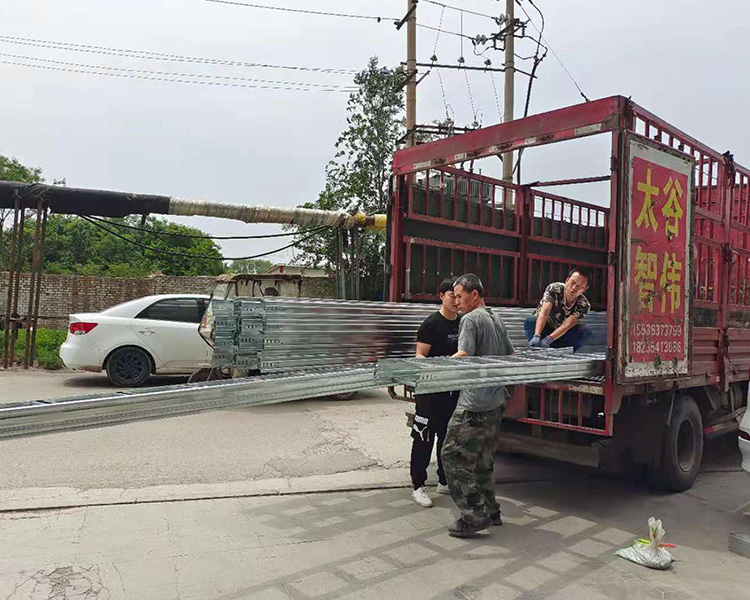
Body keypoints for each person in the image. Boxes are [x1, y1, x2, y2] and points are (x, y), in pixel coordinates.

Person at [441, 273, 514, 537]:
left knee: (452, 456)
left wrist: (435, 369)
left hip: (474, 404)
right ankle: (491, 511)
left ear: (474, 294)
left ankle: (474, 515)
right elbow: (511, 355)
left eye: (460, 296)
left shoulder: (470, 319)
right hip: (496, 400)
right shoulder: (496, 318)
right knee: (483, 460)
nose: (456, 302)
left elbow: (464, 355)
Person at [410, 278, 460, 508]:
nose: (456, 301)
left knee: (446, 437)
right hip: (429, 390)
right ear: (441, 296)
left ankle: (443, 480)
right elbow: (420, 355)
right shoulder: (430, 324)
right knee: (424, 437)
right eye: (452, 296)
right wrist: (436, 369)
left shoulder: (463, 323)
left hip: (452, 390)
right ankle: (418, 486)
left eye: (459, 296)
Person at [525, 267, 592, 352]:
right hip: (544, 328)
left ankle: (563, 351)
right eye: (572, 283)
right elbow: (544, 313)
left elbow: (567, 325)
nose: (574, 288)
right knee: (530, 320)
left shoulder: (584, 305)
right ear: (567, 280)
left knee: (585, 331)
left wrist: (549, 339)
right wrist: (537, 336)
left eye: (579, 286)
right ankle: (535, 347)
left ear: (585, 289)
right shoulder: (554, 289)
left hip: (560, 334)